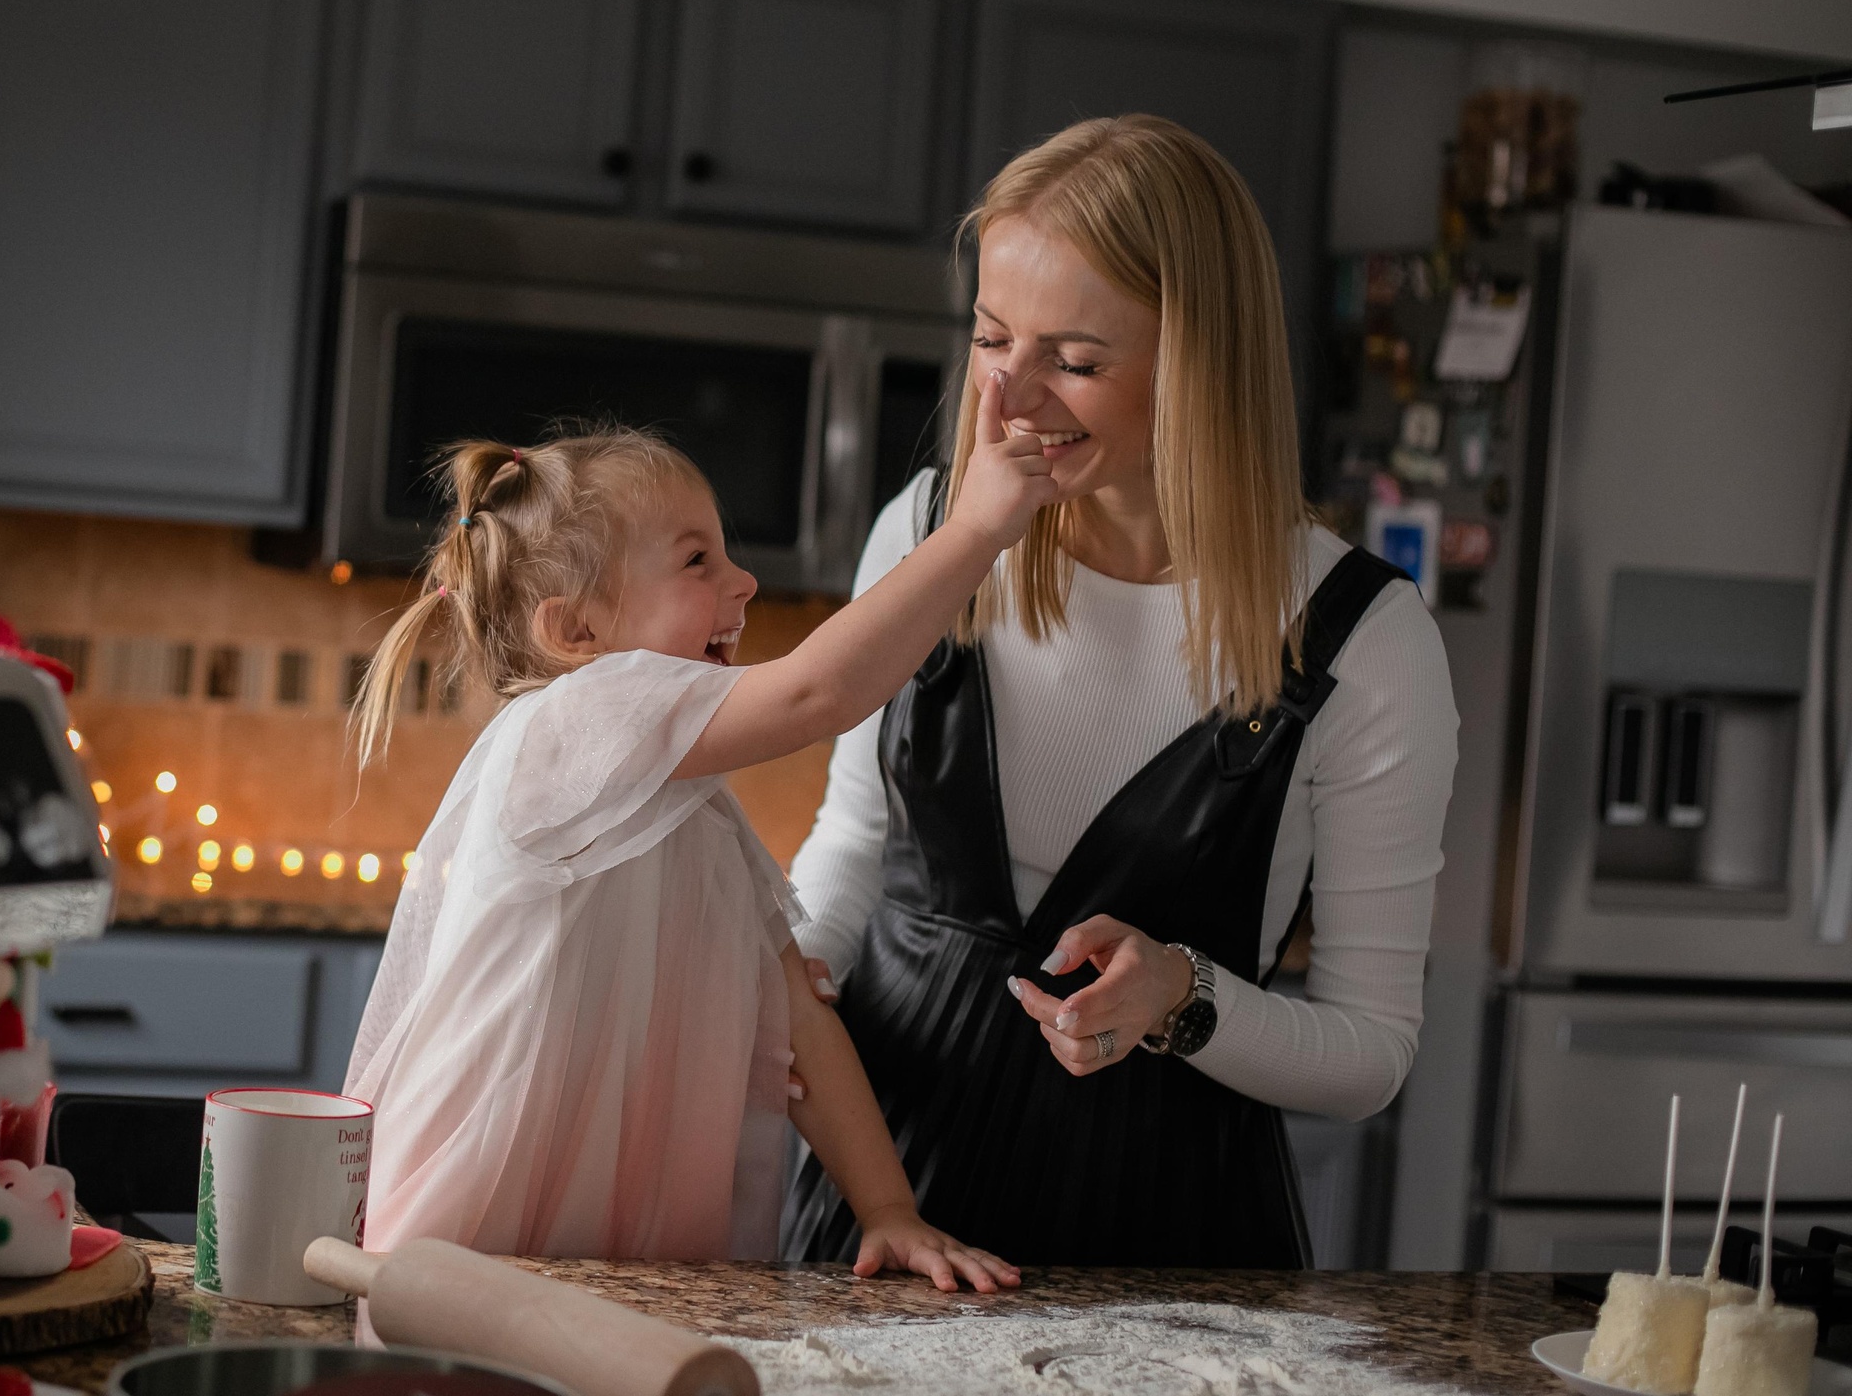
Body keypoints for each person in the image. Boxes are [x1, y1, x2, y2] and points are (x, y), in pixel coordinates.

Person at [784, 115, 1459, 1269]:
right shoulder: (928, 531)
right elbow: (856, 843)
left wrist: (1185, 1002)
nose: (1009, 400)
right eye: (993, 338)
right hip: (887, 1206)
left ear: (1203, 366)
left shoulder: (1365, 642)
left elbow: (1369, 1055)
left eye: (1076, 361)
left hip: (1167, 1239)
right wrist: (795, 962)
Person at [343, 403, 1046, 1290]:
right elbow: (814, 695)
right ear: (575, 633)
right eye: (696, 560)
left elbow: (805, 1028)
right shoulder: (568, 721)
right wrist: (979, 528)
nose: (743, 582)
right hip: (475, 1241)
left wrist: (890, 1209)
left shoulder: (700, 815)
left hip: (628, 1265)